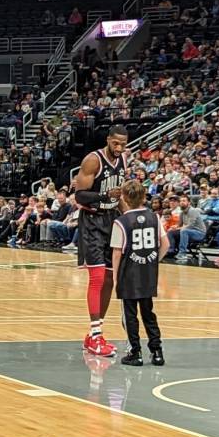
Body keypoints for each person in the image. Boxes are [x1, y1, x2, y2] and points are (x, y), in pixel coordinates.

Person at [73, 127, 127, 358]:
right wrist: (105, 196)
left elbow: (120, 197)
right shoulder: (93, 160)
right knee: (96, 278)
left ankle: (94, 334)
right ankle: (96, 337)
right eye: (115, 143)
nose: (119, 148)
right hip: (93, 222)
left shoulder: (124, 158)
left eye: (123, 144)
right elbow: (79, 195)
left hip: (112, 220)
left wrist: (129, 218)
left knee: (108, 280)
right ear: (108, 140)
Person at [108, 182, 165, 367]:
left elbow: (117, 253)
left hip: (129, 274)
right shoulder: (154, 217)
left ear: (124, 197)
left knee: (129, 315)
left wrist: (116, 277)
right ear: (144, 197)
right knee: (148, 313)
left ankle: (135, 352)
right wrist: (154, 260)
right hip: (148, 272)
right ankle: (157, 352)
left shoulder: (121, 221)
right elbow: (166, 244)